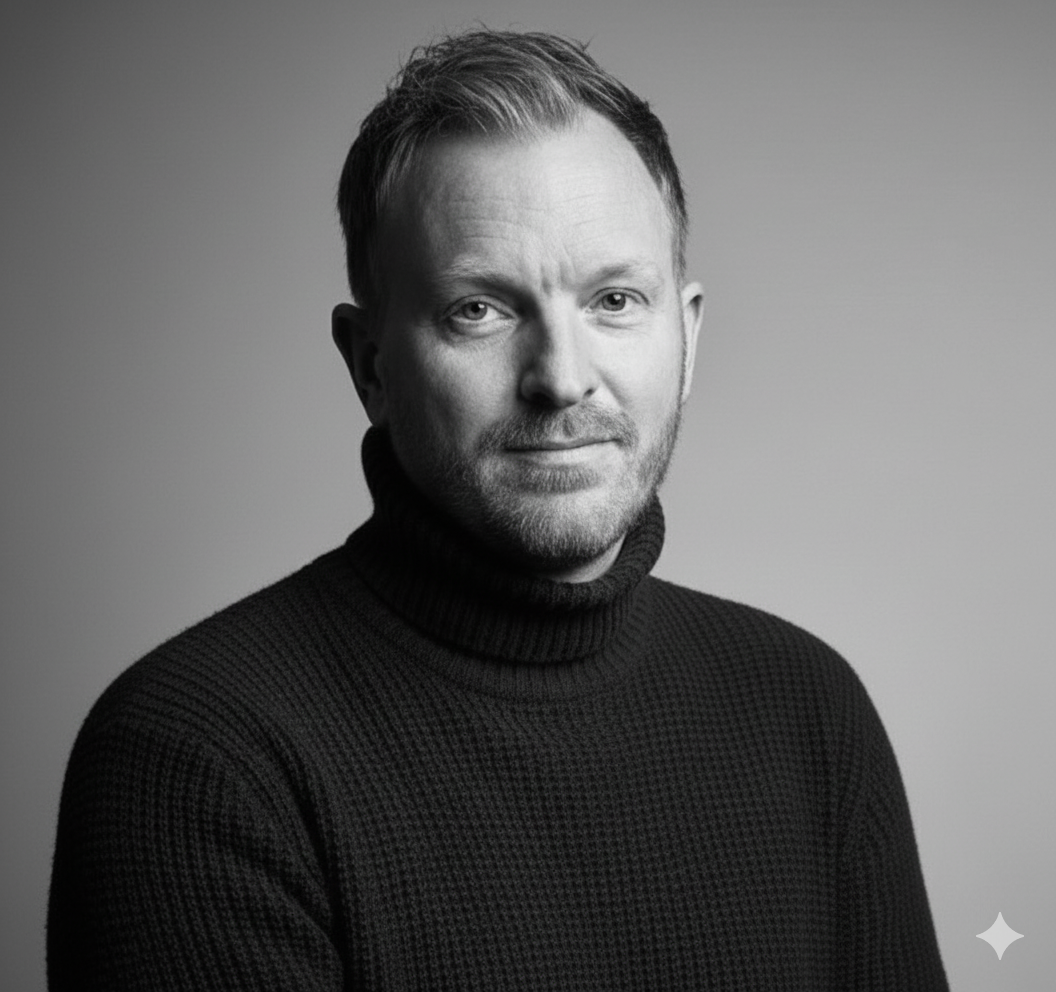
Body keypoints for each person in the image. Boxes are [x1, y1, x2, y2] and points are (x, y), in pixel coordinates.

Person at [48, 29, 948, 991]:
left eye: (614, 299)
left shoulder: (808, 708)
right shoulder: (199, 756)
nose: (562, 379)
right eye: (479, 309)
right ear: (371, 367)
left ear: (685, 336)